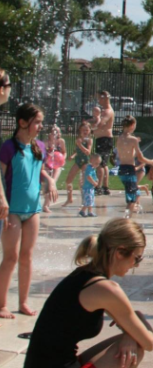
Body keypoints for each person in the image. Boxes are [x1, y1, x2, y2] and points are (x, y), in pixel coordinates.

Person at [20, 218, 153, 368]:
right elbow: (149, 343)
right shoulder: (107, 290)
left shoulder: (83, 274)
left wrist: (130, 334)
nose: (136, 265)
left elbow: (133, 329)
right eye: (137, 258)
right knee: (136, 349)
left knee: (130, 342)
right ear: (120, 252)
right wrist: (137, 321)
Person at [0, 102, 55, 319]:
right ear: (23, 122)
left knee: (27, 257)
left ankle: (23, 302)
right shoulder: (8, 147)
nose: (41, 126)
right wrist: (2, 200)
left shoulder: (38, 146)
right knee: (11, 257)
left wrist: (50, 180)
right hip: (12, 210)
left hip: (33, 210)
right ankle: (2, 304)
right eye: (37, 122)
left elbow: (38, 169)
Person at [116, 116, 153, 216]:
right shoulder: (133, 139)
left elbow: (128, 154)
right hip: (129, 170)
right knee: (132, 199)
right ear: (132, 125)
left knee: (131, 192)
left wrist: (135, 145)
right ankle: (127, 219)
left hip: (121, 169)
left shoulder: (119, 138)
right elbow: (140, 158)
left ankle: (127, 217)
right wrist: (152, 162)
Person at [64, 121, 93, 206]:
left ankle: (84, 201)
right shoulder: (78, 139)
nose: (85, 132)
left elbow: (88, 152)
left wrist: (80, 145)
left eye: (87, 130)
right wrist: (73, 155)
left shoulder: (89, 140)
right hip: (78, 161)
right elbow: (76, 150)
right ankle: (69, 198)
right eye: (83, 130)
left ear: (90, 131)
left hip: (85, 162)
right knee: (68, 180)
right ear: (80, 130)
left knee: (82, 182)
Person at [93, 91, 115, 195]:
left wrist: (89, 127)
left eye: (99, 98)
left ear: (105, 98)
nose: (98, 100)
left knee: (99, 164)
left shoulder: (107, 111)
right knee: (104, 164)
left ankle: (98, 187)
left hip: (104, 140)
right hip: (104, 140)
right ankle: (105, 187)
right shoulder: (105, 110)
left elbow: (101, 124)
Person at [43, 125, 67, 212]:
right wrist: (48, 156)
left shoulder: (61, 141)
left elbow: (64, 152)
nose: (57, 133)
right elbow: (43, 155)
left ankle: (46, 205)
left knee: (52, 182)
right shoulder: (46, 142)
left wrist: (63, 159)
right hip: (47, 165)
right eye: (54, 132)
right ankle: (46, 204)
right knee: (48, 183)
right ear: (49, 134)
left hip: (57, 166)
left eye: (58, 131)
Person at [80, 154, 100, 218]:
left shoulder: (92, 168)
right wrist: (94, 182)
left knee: (91, 200)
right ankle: (82, 211)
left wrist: (96, 179)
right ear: (91, 161)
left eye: (98, 163)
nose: (97, 165)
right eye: (96, 163)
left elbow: (93, 176)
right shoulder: (89, 168)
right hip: (87, 188)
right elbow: (88, 177)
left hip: (90, 187)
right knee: (88, 200)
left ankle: (90, 212)